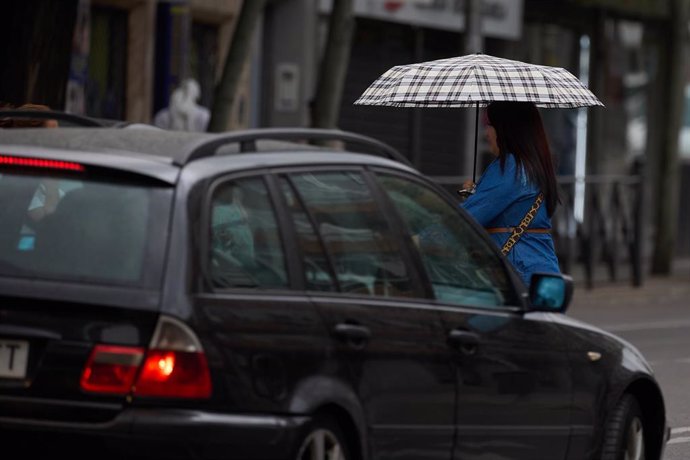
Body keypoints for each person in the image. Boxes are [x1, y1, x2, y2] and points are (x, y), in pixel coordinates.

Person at [461, 101, 561, 287]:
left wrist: (418, 240)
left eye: (489, 125)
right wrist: (478, 192)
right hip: (540, 271)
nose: (486, 133)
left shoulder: (511, 167)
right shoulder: (532, 165)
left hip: (518, 274)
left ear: (505, 127)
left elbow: (465, 219)